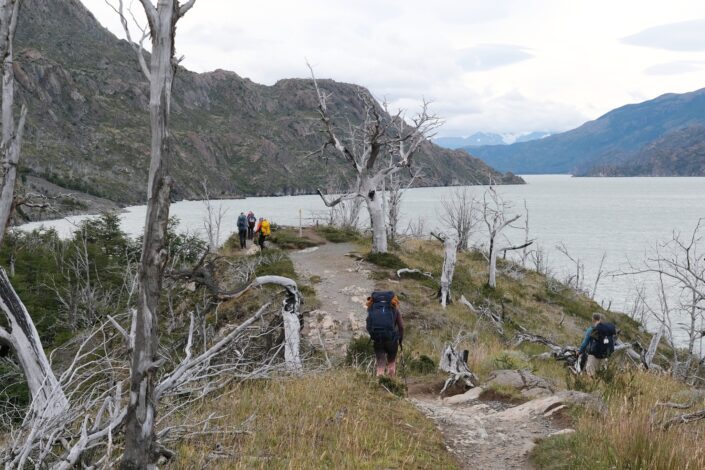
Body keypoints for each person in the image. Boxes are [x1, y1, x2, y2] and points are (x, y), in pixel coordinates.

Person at [366, 291, 404, 377]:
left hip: (378, 340)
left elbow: (368, 325)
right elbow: (401, 327)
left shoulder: (373, 309)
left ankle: (380, 380)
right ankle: (391, 381)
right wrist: (400, 339)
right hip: (391, 340)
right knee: (391, 362)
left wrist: (374, 335)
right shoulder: (394, 309)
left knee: (380, 364)